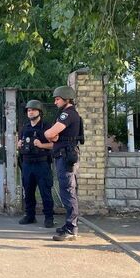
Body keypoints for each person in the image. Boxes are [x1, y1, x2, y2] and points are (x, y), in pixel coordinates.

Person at [44, 86, 83, 241]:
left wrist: (50, 134)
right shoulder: (67, 114)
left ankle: (71, 228)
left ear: (67, 99)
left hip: (66, 156)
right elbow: (53, 136)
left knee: (68, 190)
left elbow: (50, 133)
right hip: (64, 155)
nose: (55, 102)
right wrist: (53, 136)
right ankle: (69, 225)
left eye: (57, 99)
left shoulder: (68, 114)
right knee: (67, 190)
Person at [17, 99, 55, 228]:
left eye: (33, 110)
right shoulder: (25, 128)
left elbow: (54, 145)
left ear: (40, 112)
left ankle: (49, 217)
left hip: (42, 163)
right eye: (29, 110)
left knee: (45, 191)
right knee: (28, 191)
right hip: (27, 164)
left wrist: (41, 145)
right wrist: (19, 145)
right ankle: (30, 215)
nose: (31, 112)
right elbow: (21, 145)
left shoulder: (47, 127)